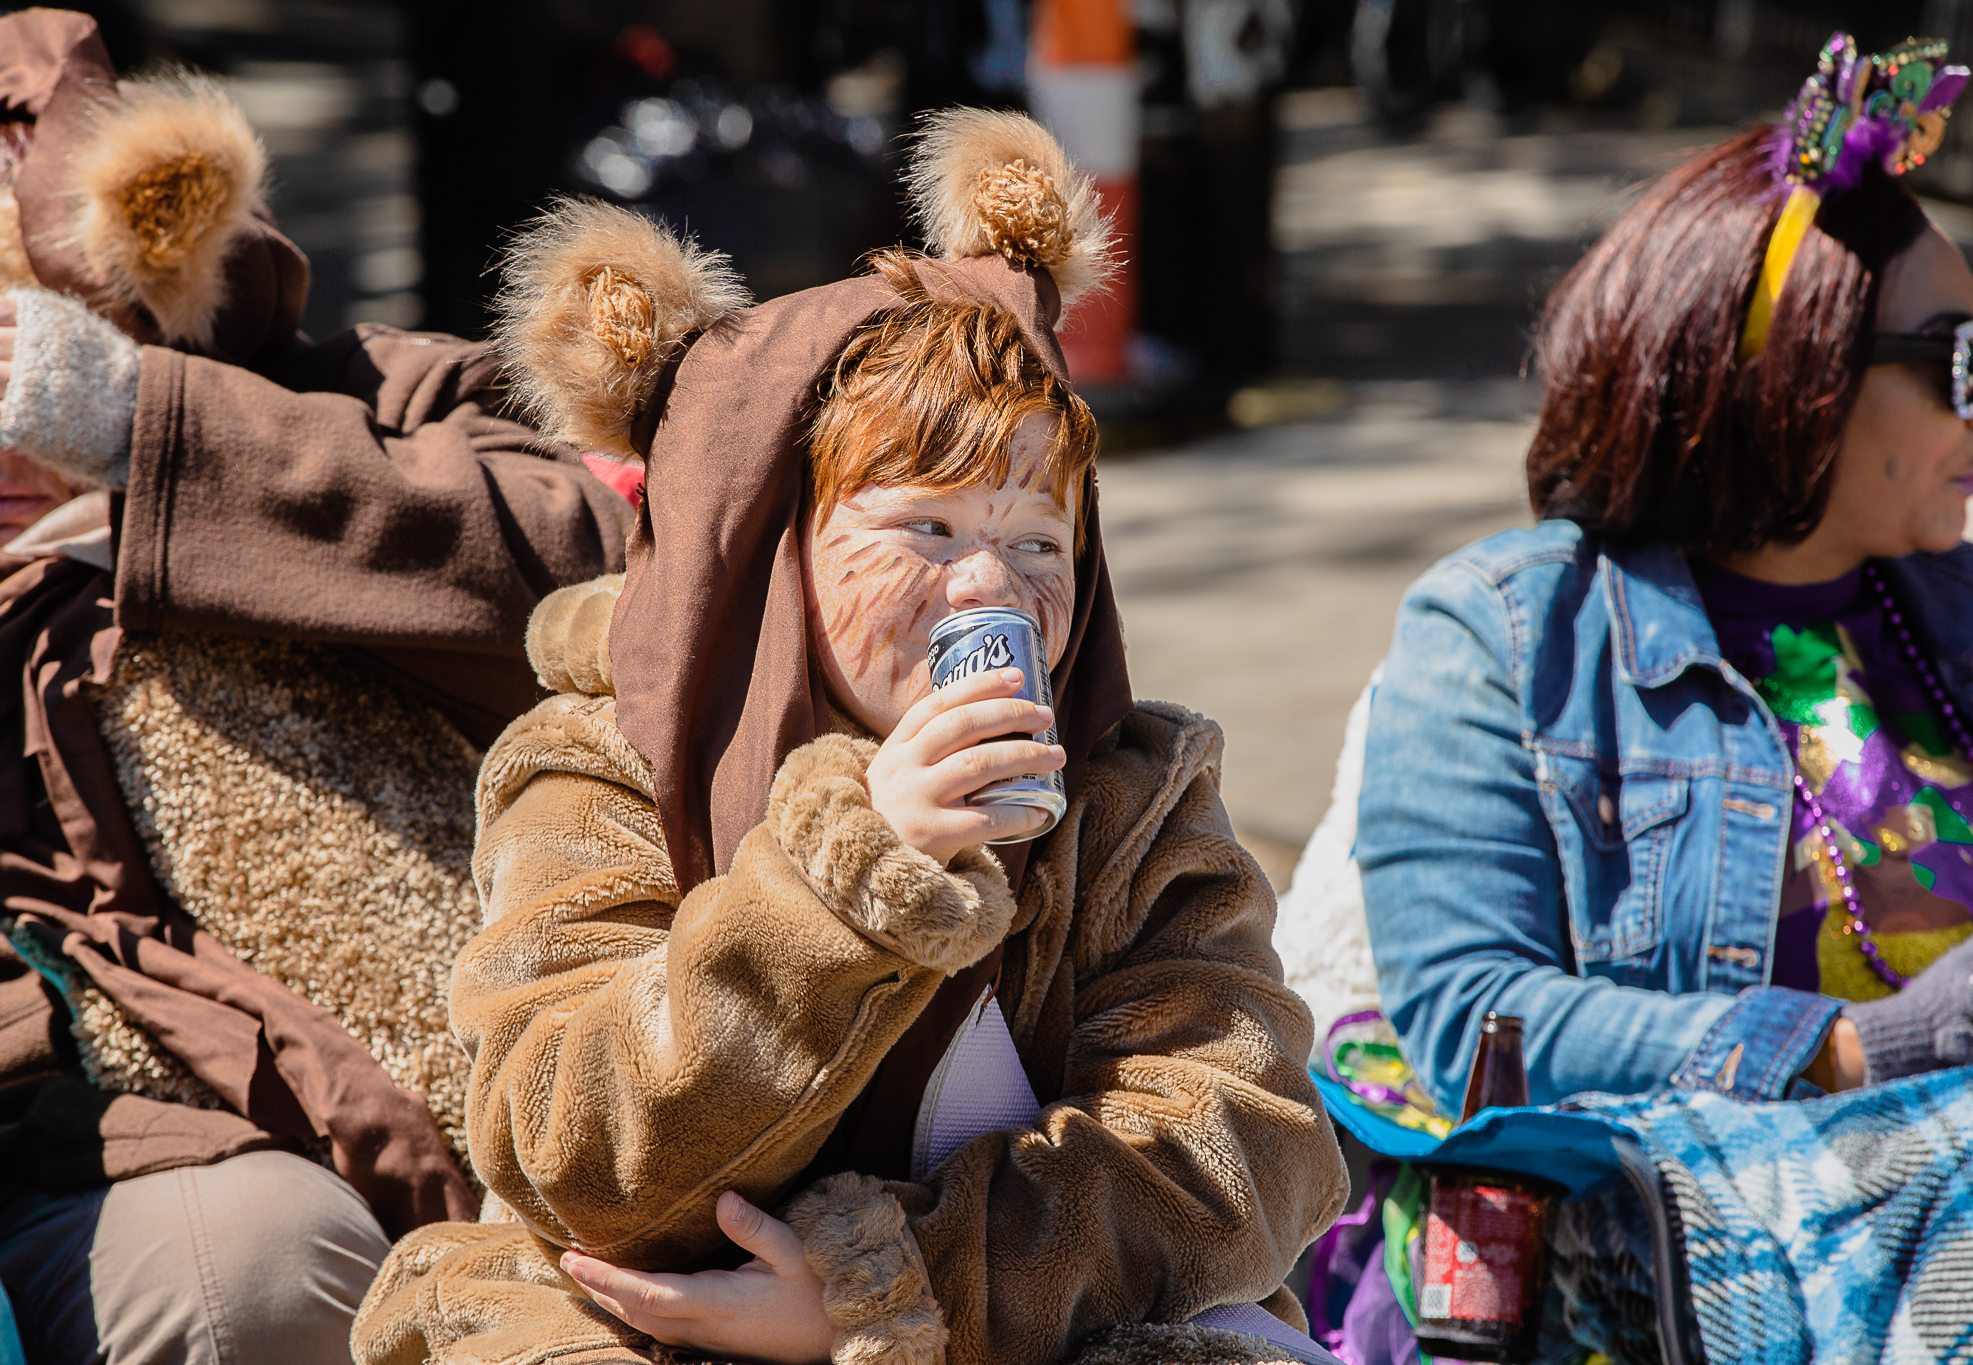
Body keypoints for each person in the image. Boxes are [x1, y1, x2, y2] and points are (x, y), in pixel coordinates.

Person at [352, 111, 1348, 1365]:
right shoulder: (606, 765)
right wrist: (846, 894)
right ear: (773, 557)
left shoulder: (1128, 794)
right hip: (653, 1315)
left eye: (1037, 542)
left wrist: (893, 1292)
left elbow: (1243, 1143)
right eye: (925, 531)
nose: (992, 587)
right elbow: (568, 1150)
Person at [0, 11, 635, 1363]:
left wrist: (150, 430)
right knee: (255, 1264)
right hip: (56, 1145)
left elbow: (599, 566)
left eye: (35, 351)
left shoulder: (357, 396)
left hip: (459, 1079)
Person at [1356, 32, 1973, 1115]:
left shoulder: (1951, 596)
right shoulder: (1504, 634)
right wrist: (1868, 1049)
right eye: (1953, 360)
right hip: (1714, 1251)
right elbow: (1471, 1016)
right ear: (1798, 374)